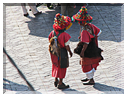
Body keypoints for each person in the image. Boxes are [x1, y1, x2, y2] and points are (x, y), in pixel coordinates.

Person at [72, 6, 103, 85]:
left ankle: (91, 79)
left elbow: (85, 43)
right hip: (93, 47)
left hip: (87, 50)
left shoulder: (84, 31)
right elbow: (98, 32)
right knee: (91, 63)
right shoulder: (91, 26)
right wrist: (93, 39)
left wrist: (82, 52)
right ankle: (89, 77)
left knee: (86, 64)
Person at [48, 13, 73, 89]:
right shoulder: (65, 35)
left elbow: (49, 39)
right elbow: (67, 46)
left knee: (55, 65)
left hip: (54, 53)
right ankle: (60, 83)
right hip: (62, 53)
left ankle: (56, 79)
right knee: (62, 67)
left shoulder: (52, 32)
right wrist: (70, 52)